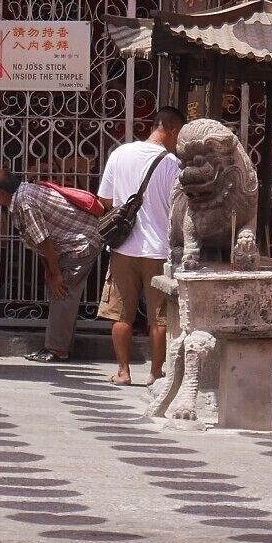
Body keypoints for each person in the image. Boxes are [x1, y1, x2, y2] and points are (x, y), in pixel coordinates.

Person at [95, 107, 183, 385]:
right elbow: (180, 208)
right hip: (159, 250)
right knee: (159, 317)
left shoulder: (119, 154)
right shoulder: (173, 164)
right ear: (172, 129)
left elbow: (106, 200)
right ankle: (156, 374)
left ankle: (123, 371)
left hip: (123, 250)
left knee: (121, 314)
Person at [0, 168, 109, 362]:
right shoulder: (24, 194)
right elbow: (39, 241)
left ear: (1, 193)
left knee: (62, 292)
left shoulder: (25, 203)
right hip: (74, 242)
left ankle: (57, 350)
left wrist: (55, 273)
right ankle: (62, 345)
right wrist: (51, 270)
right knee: (61, 294)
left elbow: (44, 240)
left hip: (79, 244)